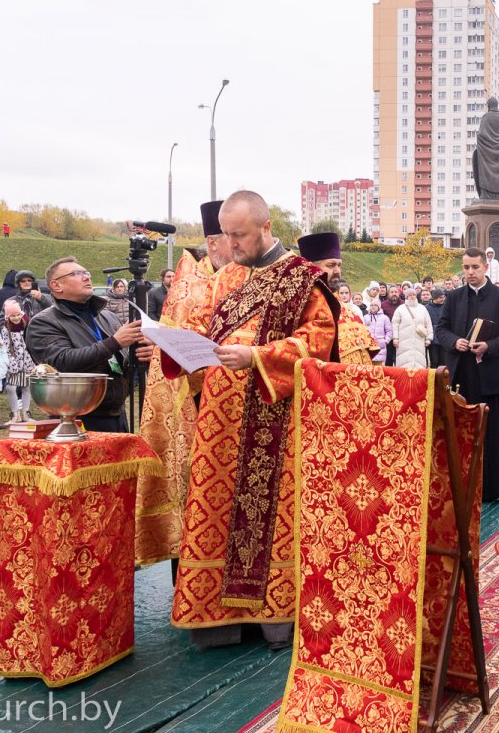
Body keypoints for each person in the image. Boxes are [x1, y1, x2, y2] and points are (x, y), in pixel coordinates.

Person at [161, 190, 340, 651]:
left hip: (275, 420)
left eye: (239, 235)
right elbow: (202, 327)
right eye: (226, 235)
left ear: (265, 227)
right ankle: (217, 622)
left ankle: (275, 622)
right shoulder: (225, 278)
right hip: (219, 424)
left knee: (270, 518)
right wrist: (172, 343)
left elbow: (318, 341)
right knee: (217, 512)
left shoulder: (303, 278)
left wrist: (258, 355)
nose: (231, 244)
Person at [135, 200, 233, 570]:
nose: (241, 247)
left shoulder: (250, 278)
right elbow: (172, 351)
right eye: (233, 238)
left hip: (241, 404)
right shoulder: (188, 286)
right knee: (196, 498)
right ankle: (188, 580)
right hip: (196, 404)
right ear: (213, 243)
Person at [26, 259, 149, 432]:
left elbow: (120, 364)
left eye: (86, 273)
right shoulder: (43, 322)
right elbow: (61, 362)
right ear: (56, 285)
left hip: (116, 414)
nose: (86, 277)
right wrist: (114, 342)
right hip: (76, 419)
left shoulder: (107, 316)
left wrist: (143, 354)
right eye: (76, 274)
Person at [436, 247, 499, 502]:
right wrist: (454, 341)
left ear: (485, 267)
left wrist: (489, 346)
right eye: (466, 267)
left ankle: (493, 488)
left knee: (490, 432)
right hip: (460, 376)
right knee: (461, 433)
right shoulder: (454, 297)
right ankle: (461, 487)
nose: (470, 272)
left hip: (489, 376)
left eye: (475, 267)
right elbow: (441, 329)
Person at [298, 232, 377, 365]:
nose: (337, 271)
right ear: (311, 268)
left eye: (339, 265)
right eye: (331, 265)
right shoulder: (300, 304)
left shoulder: (342, 305)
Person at [1, 299, 35, 422]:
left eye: (18, 315)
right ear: (8, 317)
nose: (16, 318)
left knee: (27, 387)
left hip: (27, 361)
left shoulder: (27, 325)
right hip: (13, 362)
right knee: (11, 387)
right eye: (13, 316)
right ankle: (15, 413)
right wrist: (11, 362)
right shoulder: (5, 329)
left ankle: (26, 413)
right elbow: (6, 347)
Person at [472, 96, 499, 200]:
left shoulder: (486, 117)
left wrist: (486, 144)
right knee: (498, 172)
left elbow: (481, 135)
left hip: (486, 154)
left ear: (488, 106)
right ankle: (498, 195)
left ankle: (486, 194)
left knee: (481, 166)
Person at [392, 286, 433, 368]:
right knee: (403, 362)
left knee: (419, 363)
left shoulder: (422, 308)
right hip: (403, 341)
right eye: (410, 295)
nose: (412, 296)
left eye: (414, 295)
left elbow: (428, 324)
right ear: (406, 297)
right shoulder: (400, 309)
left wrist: (429, 338)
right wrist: (395, 338)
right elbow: (395, 324)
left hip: (419, 340)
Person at [363, 298, 392, 363]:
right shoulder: (365, 317)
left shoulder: (384, 318)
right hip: (368, 345)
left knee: (379, 366)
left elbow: (389, 332)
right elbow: (362, 330)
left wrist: (385, 341)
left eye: (375, 305)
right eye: (371, 305)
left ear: (379, 307)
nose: (373, 307)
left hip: (380, 347)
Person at [425, 287, 446, 369]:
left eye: (443, 297)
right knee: (434, 360)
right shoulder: (427, 308)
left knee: (443, 361)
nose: (443, 299)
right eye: (440, 297)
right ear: (435, 298)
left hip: (443, 337)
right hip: (433, 338)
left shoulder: (446, 307)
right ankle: (433, 376)